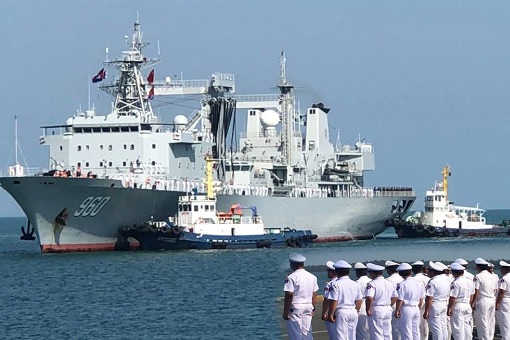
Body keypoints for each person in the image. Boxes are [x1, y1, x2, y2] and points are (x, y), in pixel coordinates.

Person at [283, 252, 319, 340]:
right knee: (307, 333)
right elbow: (314, 294)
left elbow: (289, 294)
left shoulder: (291, 277)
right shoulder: (312, 277)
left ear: (292, 264)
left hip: (296, 307)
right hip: (308, 306)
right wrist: (313, 308)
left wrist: (286, 311)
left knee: (295, 334)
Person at [328, 260, 363, 340]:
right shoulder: (355, 284)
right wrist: (356, 310)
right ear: (349, 272)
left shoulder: (335, 284)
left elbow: (334, 300)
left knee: (341, 336)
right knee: (352, 336)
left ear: (337, 272)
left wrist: (330, 314)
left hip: (342, 311)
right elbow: (359, 300)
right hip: (353, 310)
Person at [365, 263, 398, 340]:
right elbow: (395, 296)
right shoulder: (390, 283)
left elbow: (369, 297)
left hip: (377, 308)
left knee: (377, 332)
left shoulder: (372, 284)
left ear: (372, 273)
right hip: (387, 308)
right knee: (387, 332)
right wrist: (389, 305)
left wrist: (368, 309)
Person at [394, 263, 425, 340]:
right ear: (410, 272)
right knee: (415, 330)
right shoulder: (419, 283)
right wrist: (419, 307)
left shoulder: (401, 285)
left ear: (400, 274)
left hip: (406, 308)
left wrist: (397, 310)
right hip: (416, 308)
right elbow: (421, 298)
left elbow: (400, 299)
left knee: (406, 330)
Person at [472, 257, 498, 340]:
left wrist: (473, 302)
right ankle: (490, 337)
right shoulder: (493, 276)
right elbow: (496, 289)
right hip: (491, 299)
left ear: (478, 267)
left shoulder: (478, 276)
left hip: (482, 300)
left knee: (482, 322)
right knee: (490, 321)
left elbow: (476, 290)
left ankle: (484, 338)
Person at [447, 262, 474, 340]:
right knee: (467, 327)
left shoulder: (455, 283)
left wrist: (449, 308)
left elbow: (453, 297)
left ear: (453, 273)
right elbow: (472, 295)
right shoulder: (470, 282)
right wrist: (470, 304)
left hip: (458, 305)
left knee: (457, 328)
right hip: (467, 304)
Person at [423, 261, 450, 340]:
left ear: (432, 272)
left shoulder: (433, 281)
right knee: (443, 327)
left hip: (435, 305)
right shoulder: (445, 280)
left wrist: (426, 310)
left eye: (429, 271)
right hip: (443, 304)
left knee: (436, 329)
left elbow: (429, 298)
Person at [412, 260, 429, 340]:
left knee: (417, 325)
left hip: (418, 303)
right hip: (428, 302)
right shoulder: (428, 279)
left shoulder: (413, 279)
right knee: (425, 325)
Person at [386, 260, 403, 340]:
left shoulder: (387, 281)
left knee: (393, 328)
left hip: (392, 305)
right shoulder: (403, 279)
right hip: (404, 305)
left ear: (389, 270)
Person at [322, 261, 339, 340]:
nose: (328, 273)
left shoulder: (330, 284)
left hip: (333, 311)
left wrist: (324, 313)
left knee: (333, 335)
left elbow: (327, 300)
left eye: (329, 271)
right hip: (343, 311)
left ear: (332, 272)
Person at [355, 262, 371, 340]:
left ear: (358, 272)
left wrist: (356, 310)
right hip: (372, 304)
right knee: (370, 329)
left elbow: (356, 297)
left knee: (361, 329)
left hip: (362, 304)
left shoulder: (357, 283)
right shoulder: (371, 281)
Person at [496, 260, 510, 340]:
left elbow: (501, 292)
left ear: (504, 269)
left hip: (505, 301)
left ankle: (506, 338)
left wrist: (497, 302)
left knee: (504, 321)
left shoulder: (504, 279)